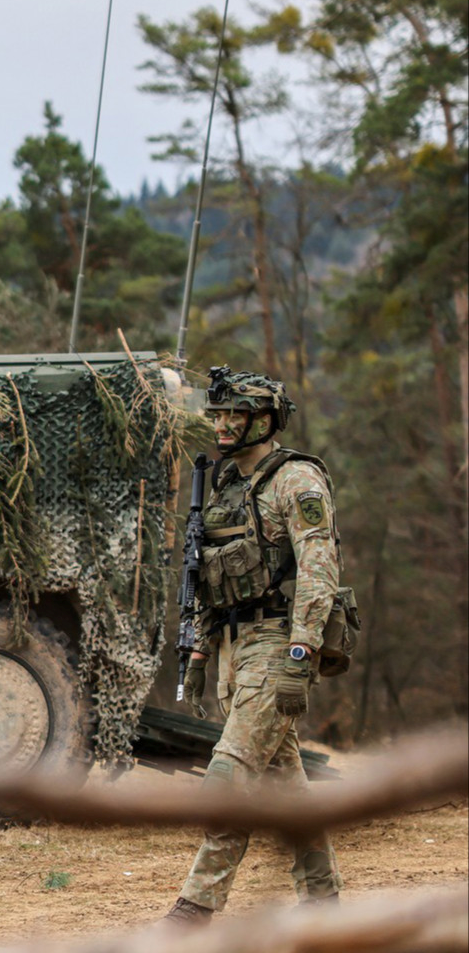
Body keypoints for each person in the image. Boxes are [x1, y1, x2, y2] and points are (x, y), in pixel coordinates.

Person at [162, 367, 342, 926]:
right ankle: (324, 905)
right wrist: (197, 653)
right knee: (286, 790)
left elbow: (320, 569)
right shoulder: (224, 483)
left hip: (275, 642)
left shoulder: (296, 481)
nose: (223, 425)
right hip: (231, 651)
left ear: (265, 421)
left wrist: (301, 653)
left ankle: (192, 914)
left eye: (235, 415)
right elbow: (211, 578)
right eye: (218, 415)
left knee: (230, 778)